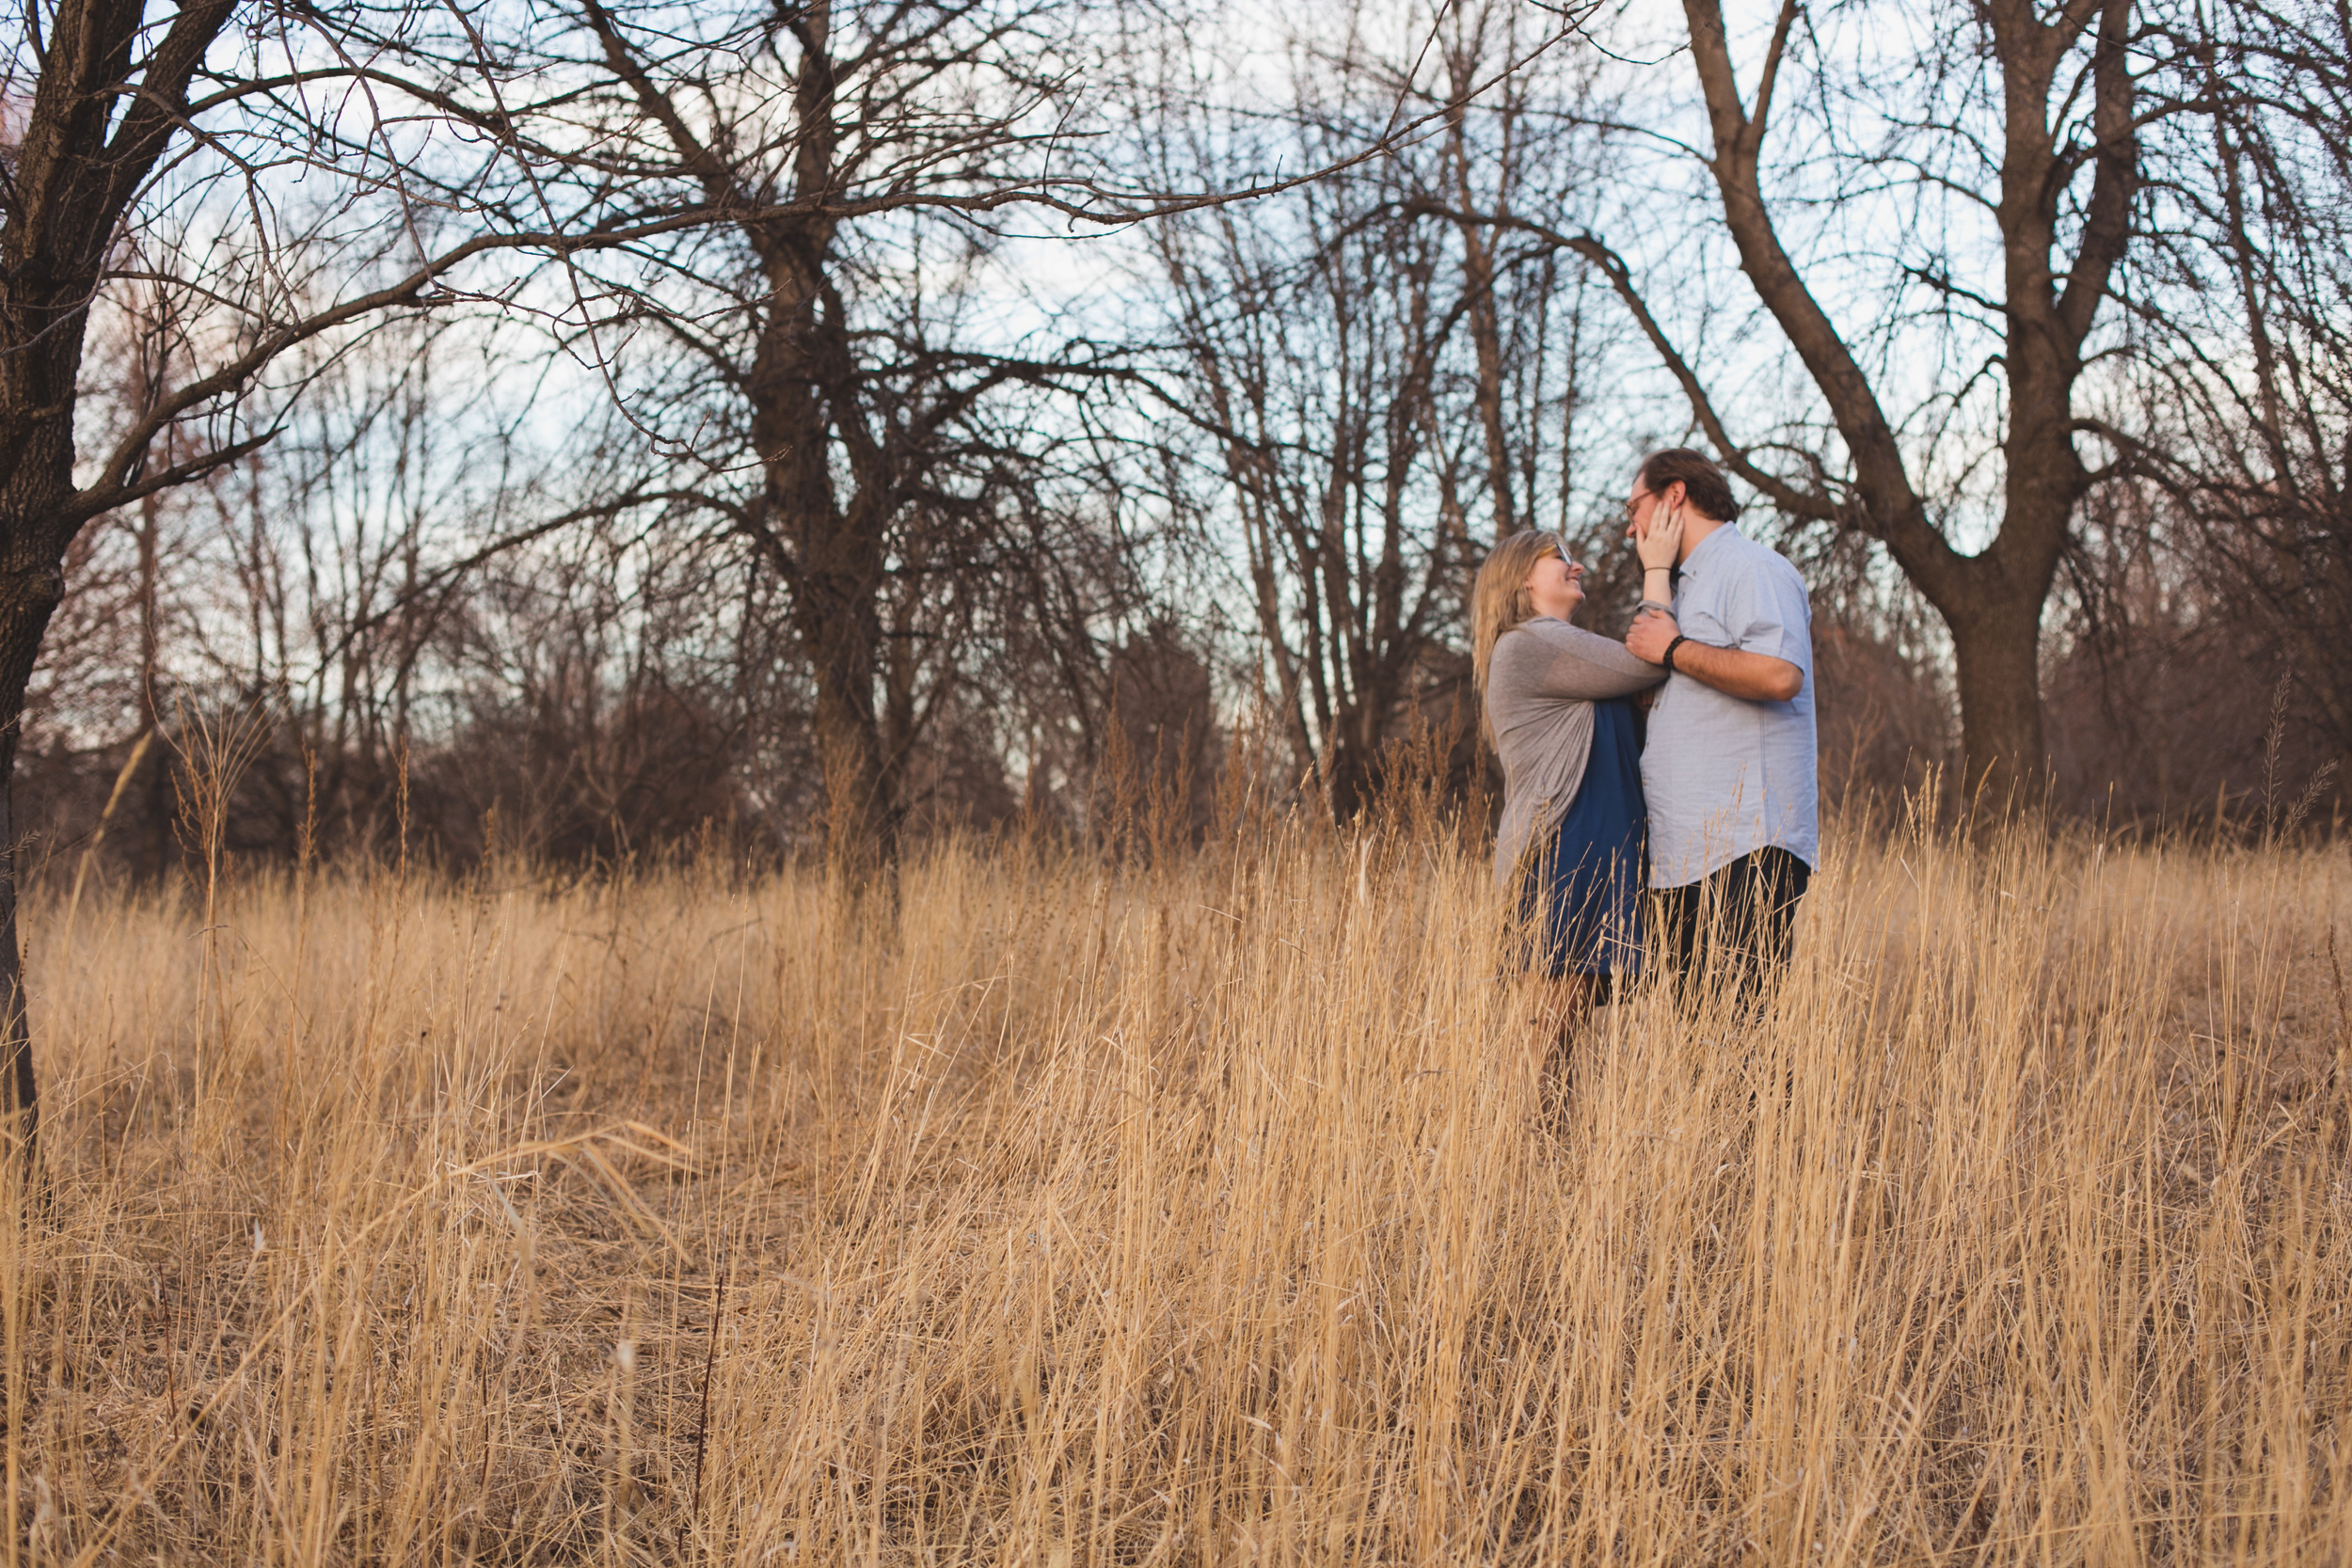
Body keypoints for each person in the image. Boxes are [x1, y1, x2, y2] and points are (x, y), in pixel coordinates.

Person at [1472, 521, 1679, 1082]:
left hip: (1590, 851)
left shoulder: (1562, 652)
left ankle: (1532, 1166)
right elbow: (1656, 659)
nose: (1578, 565)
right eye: (1559, 556)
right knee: (1538, 1049)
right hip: (1566, 853)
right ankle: (1488, 1159)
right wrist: (1656, 569)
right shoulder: (1533, 642)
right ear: (1522, 579)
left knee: (1551, 1049)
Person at [1620, 449, 1820, 1010]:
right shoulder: (1680, 590)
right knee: (1701, 1047)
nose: (1629, 526)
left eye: (1635, 507)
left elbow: (1780, 674)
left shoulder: (1751, 568)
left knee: (1737, 1042)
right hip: (1684, 851)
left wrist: (1676, 650)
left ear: (1675, 496)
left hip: (1743, 845)